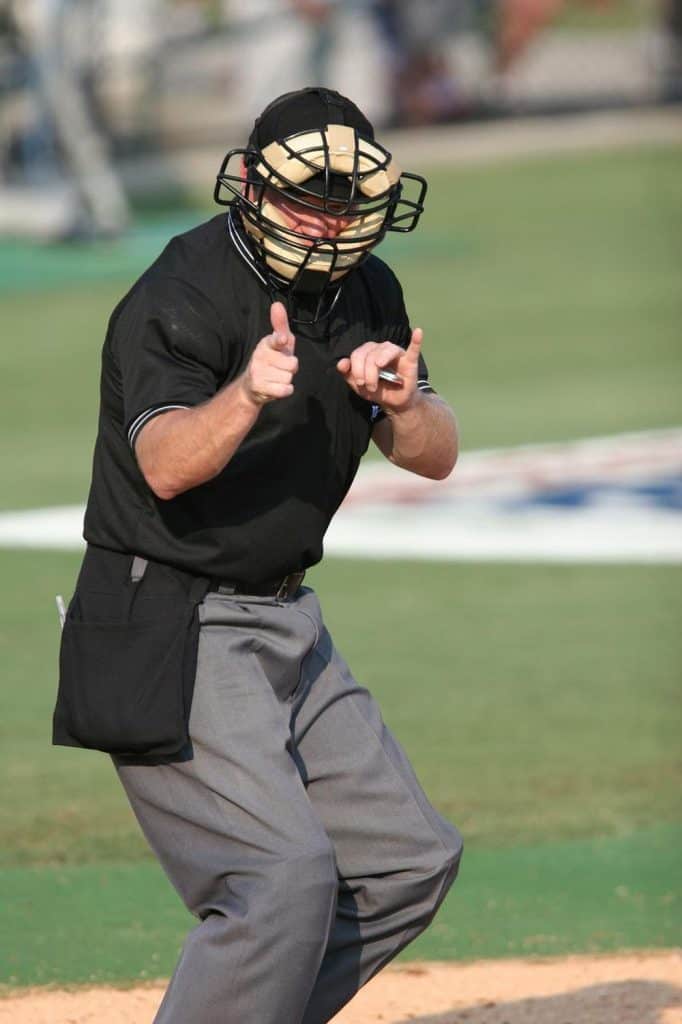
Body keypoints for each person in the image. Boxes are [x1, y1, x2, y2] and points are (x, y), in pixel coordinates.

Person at [53, 86, 463, 1024]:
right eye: (306, 200)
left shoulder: (369, 289)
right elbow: (161, 466)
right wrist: (244, 394)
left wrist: (401, 406)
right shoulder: (181, 291)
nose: (326, 225)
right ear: (252, 188)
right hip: (167, 615)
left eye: (345, 204)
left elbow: (434, 455)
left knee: (408, 860)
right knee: (280, 877)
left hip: (287, 618)